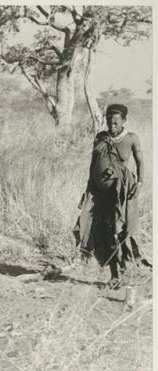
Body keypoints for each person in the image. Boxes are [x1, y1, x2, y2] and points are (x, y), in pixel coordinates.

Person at [74, 104, 144, 289]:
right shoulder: (100, 138)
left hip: (120, 193)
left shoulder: (131, 139)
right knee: (100, 231)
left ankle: (123, 273)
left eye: (116, 122)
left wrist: (140, 183)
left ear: (124, 121)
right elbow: (92, 165)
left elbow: (140, 162)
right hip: (99, 192)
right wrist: (87, 191)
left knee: (117, 231)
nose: (111, 126)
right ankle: (115, 274)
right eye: (109, 122)